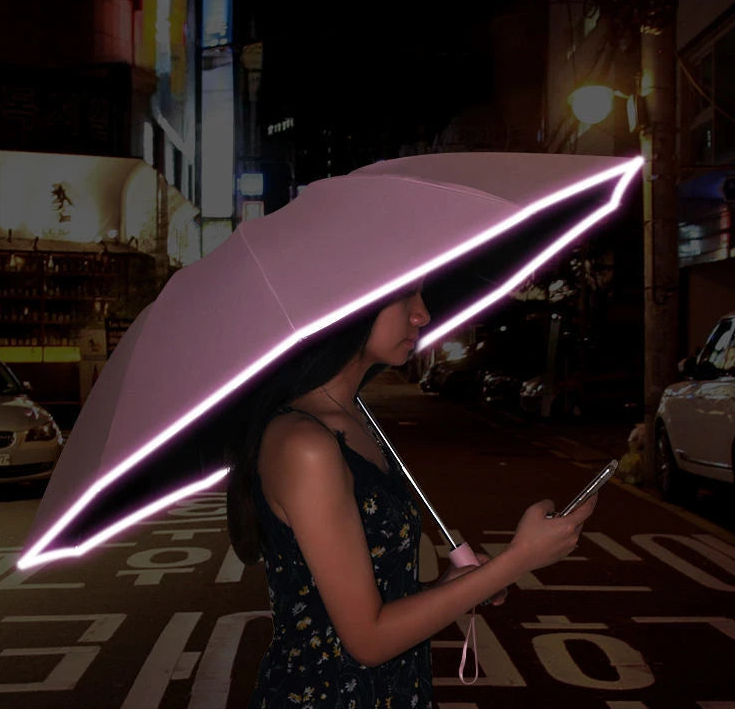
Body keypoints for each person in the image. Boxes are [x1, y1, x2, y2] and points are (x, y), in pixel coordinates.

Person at [225, 283, 596, 708]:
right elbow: (368, 638)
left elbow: (367, 593)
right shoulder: (305, 444)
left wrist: (452, 586)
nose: (422, 315)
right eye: (404, 296)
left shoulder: (353, 419)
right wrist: (519, 559)